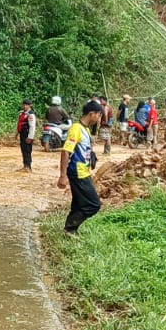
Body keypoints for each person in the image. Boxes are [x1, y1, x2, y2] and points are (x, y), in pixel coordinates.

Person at [58, 99, 104, 235]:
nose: (99, 118)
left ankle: (71, 230)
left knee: (78, 203)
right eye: (98, 115)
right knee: (94, 204)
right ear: (91, 114)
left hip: (84, 171)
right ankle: (70, 228)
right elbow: (66, 151)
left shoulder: (86, 130)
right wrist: (62, 175)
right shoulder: (76, 129)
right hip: (77, 172)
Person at [16, 99, 37, 171]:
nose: (25, 106)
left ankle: (28, 166)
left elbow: (32, 126)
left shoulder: (31, 114)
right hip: (22, 133)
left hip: (27, 134)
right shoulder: (22, 113)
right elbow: (19, 123)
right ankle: (25, 165)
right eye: (24, 105)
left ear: (29, 106)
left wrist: (30, 137)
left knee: (27, 150)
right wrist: (16, 133)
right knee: (23, 149)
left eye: (26, 105)